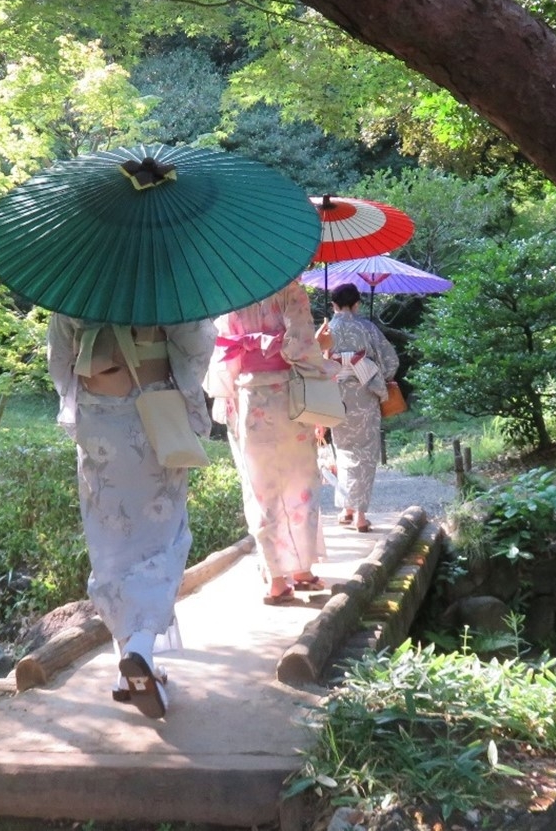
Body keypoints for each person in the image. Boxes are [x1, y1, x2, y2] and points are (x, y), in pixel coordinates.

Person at [48, 314, 216, 719]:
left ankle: (131, 671)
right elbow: (196, 345)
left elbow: (59, 359)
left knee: (111, 540)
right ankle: (140, 645)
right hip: (153, 410)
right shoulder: (164, 278)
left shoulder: (74, 286)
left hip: (97, 417)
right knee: (166, 534)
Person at [206, 280, 336, 605]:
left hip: (249, 399)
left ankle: (276, 580)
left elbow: (221, 354)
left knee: (260, 489)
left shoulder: (228, 290)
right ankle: (302, 571)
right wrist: (319, 346)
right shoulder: (290, 288)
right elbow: (301, 346)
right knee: (301, 483)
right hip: (290, 397)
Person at [326, 283, 399, 532]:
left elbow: (315, 364)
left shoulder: (326, 331)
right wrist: (375, 371)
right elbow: (390, 361)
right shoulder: (367, 327)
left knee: (343, 451)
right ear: (357, 304)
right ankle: (360, 515)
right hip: (365, 393)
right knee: (366, 453)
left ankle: (346, 509)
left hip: (337, 395)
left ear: (333, 305)